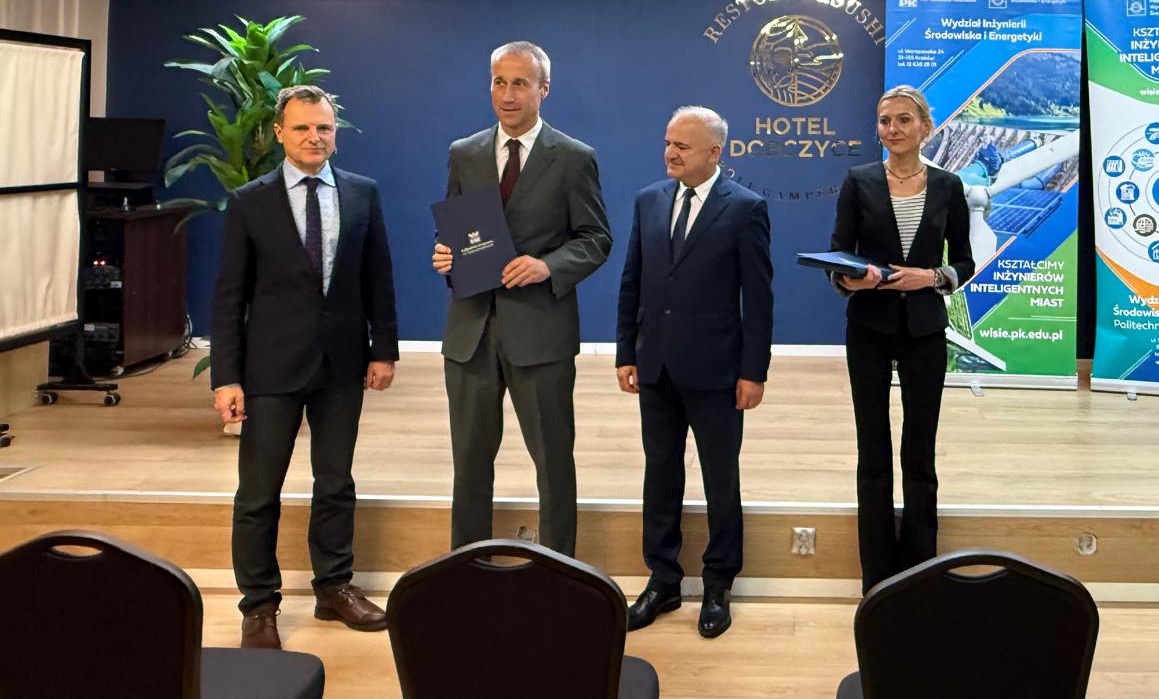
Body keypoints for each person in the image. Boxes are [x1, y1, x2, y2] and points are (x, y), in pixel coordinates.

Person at [210, 84, 398, 650]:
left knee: (336, 483)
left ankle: (334, 588)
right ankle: (259, 605)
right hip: (270, 369)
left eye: (324, 128)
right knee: (258, 493)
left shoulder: (363, 194)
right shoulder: (250, 201)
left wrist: (384, 349)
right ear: (279, 133)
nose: (314, 137)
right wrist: (226, 377)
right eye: (302, 128)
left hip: (342, 365)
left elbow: (378, 277)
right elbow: (229, 297)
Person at [433, 40, 612, 554]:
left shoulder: (574, 158)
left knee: (553, 462)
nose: (507, 94)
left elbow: (595, 238)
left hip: (540, 333)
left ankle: (559, 572)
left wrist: (547, 266)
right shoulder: (464, 152)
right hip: (470, 332)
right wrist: (444, 254)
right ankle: (465, 567)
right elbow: (457, 231)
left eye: (520, 83)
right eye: (498, 82)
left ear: (543, 89)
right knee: (469, 463)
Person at [615, 106, 773, 638]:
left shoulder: (745, 208)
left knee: (719, 478)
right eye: (668, 142)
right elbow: (632, 280)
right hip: (655, 366)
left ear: (714, 152)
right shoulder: (648, 200)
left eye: (682, 145)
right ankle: (662, 580)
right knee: (660, 474)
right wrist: (626, 352)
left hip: (717, 371)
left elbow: (759, 300)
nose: (670, 152)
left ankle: (718, 583)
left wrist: (754, 372)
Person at [829, 84, 975, 592]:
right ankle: (876, 577)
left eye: (903, 120)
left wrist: (930, 278)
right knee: (872, 451)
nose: (892, 128)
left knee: (919, 452)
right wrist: (850, 280)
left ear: (925, 127)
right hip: (868, 328)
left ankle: (919, 573)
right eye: (885, 120)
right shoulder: (859, 181)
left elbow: (964, 262)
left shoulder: (949, 186)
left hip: (924, 331)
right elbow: (839, 255)